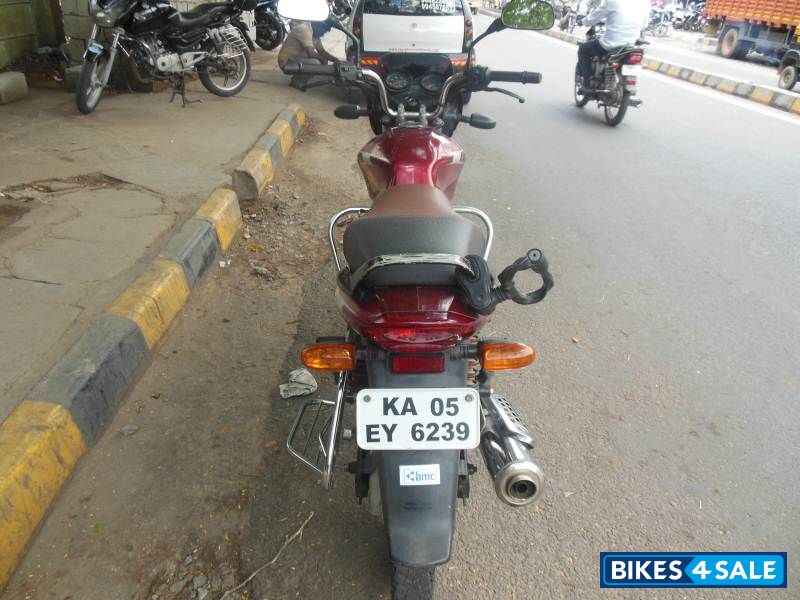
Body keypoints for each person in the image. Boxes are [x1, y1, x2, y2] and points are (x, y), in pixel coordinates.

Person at [577, 0, 650, 88]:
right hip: (630, 45)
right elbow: (644, 25)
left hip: (611, 44)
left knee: (583, 49)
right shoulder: (645, 3)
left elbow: (594, 17)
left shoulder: (612, 1)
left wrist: (582, 21)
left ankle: (586, 84)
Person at [277, 20, 340, 89]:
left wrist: (337, 60)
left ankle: (297, 78)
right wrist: (323, 59)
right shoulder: (304, 30)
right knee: (316, 63)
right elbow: (310, 53)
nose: (323, 34)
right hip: (286, 61)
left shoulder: (315, 34)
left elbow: (322, 51)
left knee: (319, 61)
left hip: (295, 58)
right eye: (323, 31)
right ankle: (296, 81)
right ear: (318, 26)